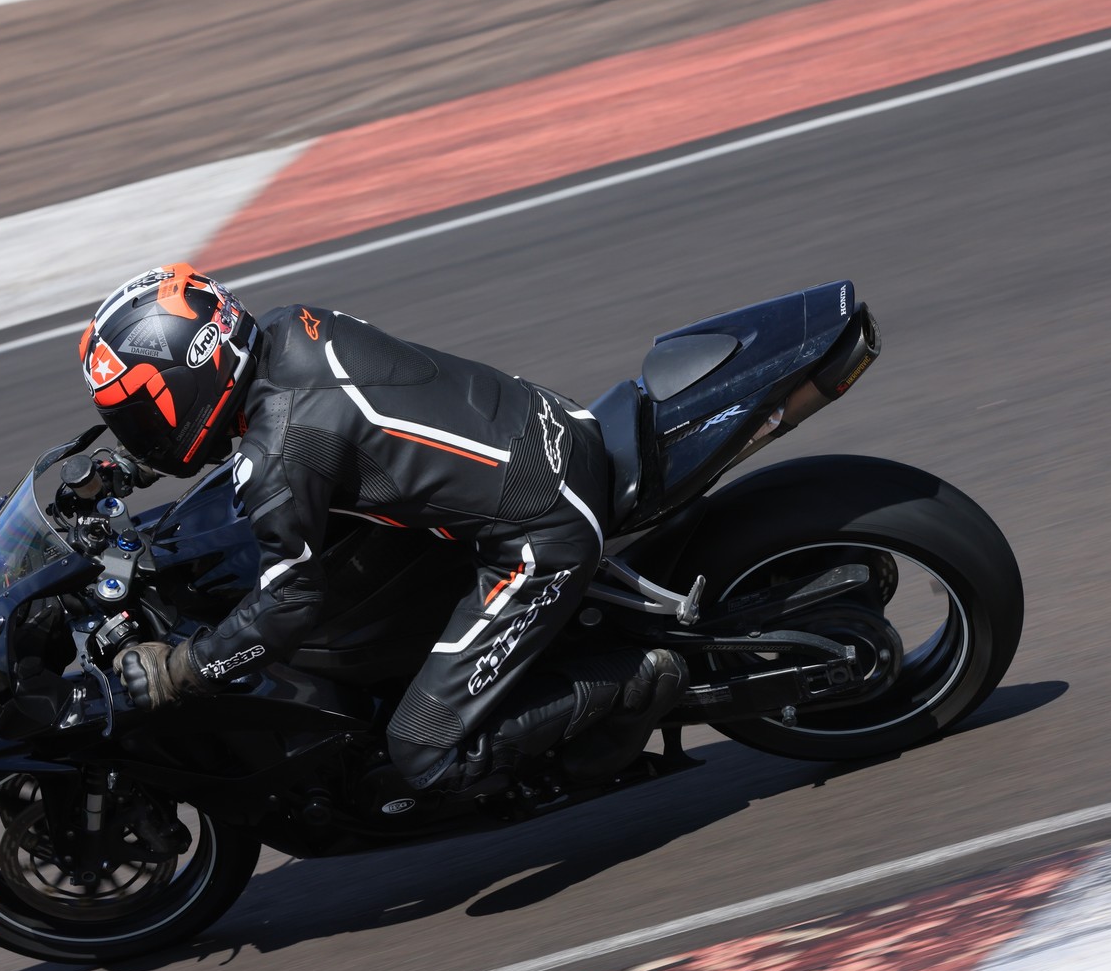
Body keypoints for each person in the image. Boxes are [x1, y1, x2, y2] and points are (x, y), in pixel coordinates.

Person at [85, 264, 683, 792]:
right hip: (555, 425)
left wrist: (183, 670)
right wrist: (139, 461)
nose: (142, 432)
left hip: (543, 530)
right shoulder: (289, 328)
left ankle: (632, 683)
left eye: (143, 416)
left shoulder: (280, 454)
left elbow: (288, 604)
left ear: (191, 373)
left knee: (423, 752)